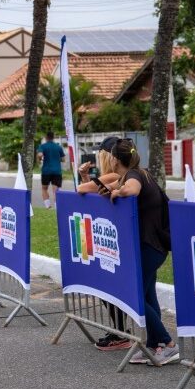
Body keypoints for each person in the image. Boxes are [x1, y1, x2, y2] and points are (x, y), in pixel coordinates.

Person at [105, 139, 178, 366]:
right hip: (153, 246)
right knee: (147, 296)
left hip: (150, 246)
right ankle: (155, 345)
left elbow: (132, 190)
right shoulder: (142, 172)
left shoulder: (134, 176)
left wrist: (119, 192)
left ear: (115, 159)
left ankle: (168, 343)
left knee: (132, 295)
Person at [77, 136, 130, 351]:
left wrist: (86, 180)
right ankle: (120, 330)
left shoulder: (115, 175)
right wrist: (85, 177)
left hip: (116, 239)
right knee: (109, 288)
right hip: (111, 237)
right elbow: (93, 191)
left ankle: (122, 332)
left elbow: (82, 190)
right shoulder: (116, 175)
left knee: (112, 287)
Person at [37, 131, 65, 209]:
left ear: (46, 137)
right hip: (57, 171)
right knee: (56, 190)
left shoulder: (43, 146)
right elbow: (63, 159)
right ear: (53, 137)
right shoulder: (58, 147)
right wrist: (56, 159)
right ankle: (57, 207)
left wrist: (40, 159)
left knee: (44, 188)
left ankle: (48, 206)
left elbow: (40, 154)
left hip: (46, 171)